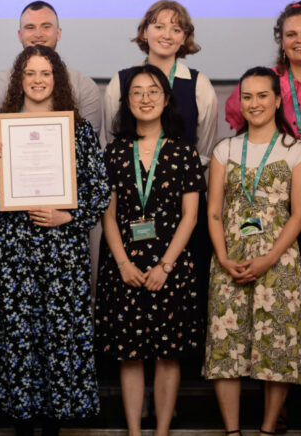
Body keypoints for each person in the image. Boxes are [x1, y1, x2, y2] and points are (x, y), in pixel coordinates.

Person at [0, 45, 110, 436]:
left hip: (61, 254)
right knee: (16, 341)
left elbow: (99, 192)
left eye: (45, 73)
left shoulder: (78, 130)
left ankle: (52, 424)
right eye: (30, 73)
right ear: (19, 79)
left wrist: (69, 215)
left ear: (57, 80)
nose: (37, 80)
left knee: (57, 339)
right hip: (11, 253)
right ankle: (20, 423)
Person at [203, 67, 301, 436]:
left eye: (262, 95)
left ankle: (268, 430)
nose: (254, 103)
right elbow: (214, 210)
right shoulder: (225, 149)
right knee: (226, 348)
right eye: (247, 97)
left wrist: (268, 258)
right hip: (229, 260)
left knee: (276, 348)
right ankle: (232, 431)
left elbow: (299, 215)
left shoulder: (298, 152)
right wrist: (222, 256)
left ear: (278, 99)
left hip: (278, 264)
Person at [97, 64, 205, 436]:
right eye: (137, 92)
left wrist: (166, 265)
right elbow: (107, 216)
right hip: (124, 266)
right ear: (127, 102)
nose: (145, 98)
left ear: (167, 99)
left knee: (167, 354)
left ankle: (160, 432)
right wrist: (124, 263)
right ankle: (133, 431)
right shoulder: (113, 153)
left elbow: (190, 217)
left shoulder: (184, 153)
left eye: (153, 91)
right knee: (129, 356)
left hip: (169, 267)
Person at [103, 0, 217, 158]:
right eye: (159, 27)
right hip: (130, 178)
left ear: (184, 38)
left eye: (176, 30)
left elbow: (204, 151)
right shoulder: (121, 82)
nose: (167, 35)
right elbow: (112, 138)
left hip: (183, 179)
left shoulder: (199, 84)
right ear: (144, 32)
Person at [226, 1, 301, 150]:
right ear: (282, 42)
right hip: (274, 170)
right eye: (291, 34)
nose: (299, 40)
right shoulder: (264, 81)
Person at [0, 0, 103, 135]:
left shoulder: (85, 87)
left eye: (46, 26)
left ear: (58, 33)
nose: (38, 34)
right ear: (20, 35)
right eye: (30, 27)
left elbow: (90, 141)